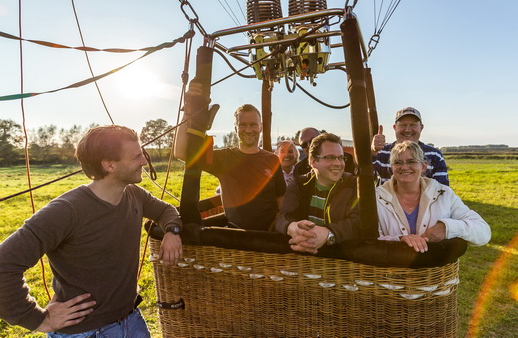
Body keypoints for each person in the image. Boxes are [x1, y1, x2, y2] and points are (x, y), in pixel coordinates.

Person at [0, 125, 183, 337]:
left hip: (131, 321)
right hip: (86, 332)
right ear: (109, 165)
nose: (144, 161)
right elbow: (4, 264)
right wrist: (37, 319)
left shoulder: (134, 194)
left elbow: (165, 210)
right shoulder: (66, 210)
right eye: (136, 156)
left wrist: (172, 231)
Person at [175, 82, 286, 231]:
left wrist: (281, 224)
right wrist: (187, 113)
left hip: (267, 235)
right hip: (236, 235)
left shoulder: (272, 159)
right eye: (242, 125)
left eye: (253, 124)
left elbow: (280, 198)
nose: (248, 129)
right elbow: (181, 152)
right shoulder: (225, 158)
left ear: (260, 127)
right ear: (236, 128)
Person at [376, 140, 491, 253]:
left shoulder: (444, 194)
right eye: (398, 162)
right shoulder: (377, 197)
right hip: (391, 270)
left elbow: (483, 232)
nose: (404, 167)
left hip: (436, 271)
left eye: (411, 161)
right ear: (392, 168)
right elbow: (368, 240)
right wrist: (399, 239)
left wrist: (446, 228)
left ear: (424, 167)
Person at [276, 133, 360, 254]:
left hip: (342, 261)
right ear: (313, 161)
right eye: (330, 157)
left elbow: (358, 223)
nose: (338, 163)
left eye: (341, 158)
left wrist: (328, 233)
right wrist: (292, 227)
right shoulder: (299, 184)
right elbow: (283, 217)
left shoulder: (354, 185)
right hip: (305, 260)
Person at [371, 107, 449, 186]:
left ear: (421, 127)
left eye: (413, 125)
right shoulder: (381, 151)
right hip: (386, 198)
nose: (408, 130)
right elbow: (366, 179)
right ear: (395, 127)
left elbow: (442, 190)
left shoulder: (434, 154)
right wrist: (373, 152)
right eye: (403, 125)